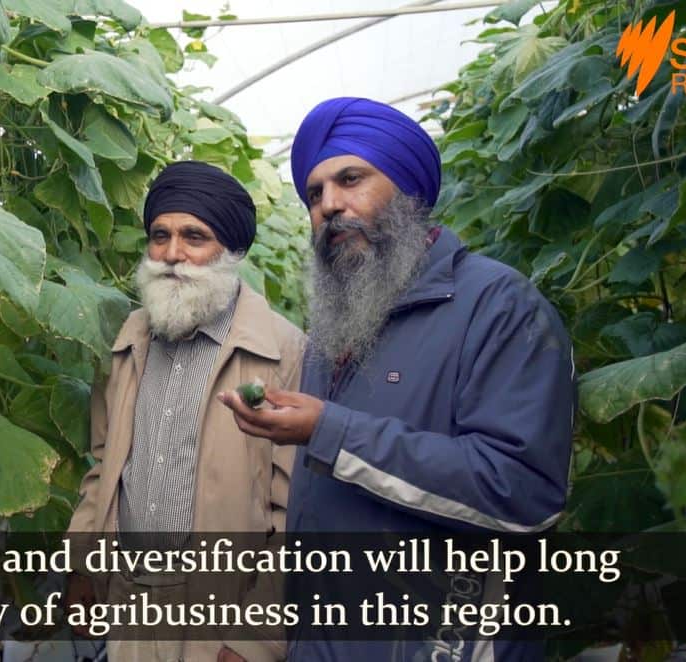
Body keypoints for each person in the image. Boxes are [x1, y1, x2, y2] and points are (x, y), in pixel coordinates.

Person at [217, 97, 575, 660]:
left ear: (408, 190)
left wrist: (330, 431)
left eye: (351, 179)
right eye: (314, 194)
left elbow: (524, 495)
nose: (330, 205)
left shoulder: (498, 306)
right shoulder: (337, 325)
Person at [66, 160, 306, 662]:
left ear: (231, 250)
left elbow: (297, 514)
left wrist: (257, 637)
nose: (172, 254)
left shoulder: (283, 351)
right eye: (160, 236)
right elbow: (105, 466)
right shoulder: (130, 338)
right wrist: (83, 566)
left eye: (194, 237)